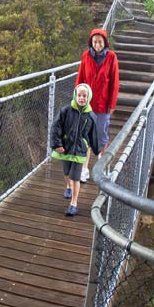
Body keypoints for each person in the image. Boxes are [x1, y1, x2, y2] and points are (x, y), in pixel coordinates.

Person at [50, 83, 101, 216]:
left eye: (84, 96)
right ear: (75, 95)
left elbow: (94, 134)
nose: (81, 98)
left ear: (88, 97)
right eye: (79, 95)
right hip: (65, 148)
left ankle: (74, 203)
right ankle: (68, 186)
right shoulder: (65, 111)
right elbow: (56, 128)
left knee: (75, 177)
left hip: (80, 151)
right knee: (67, 173)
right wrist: (57, 144)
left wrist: (97, 149)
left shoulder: (91, 116)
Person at [75, 27, 119, 181]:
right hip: (87, 104)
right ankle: (84, 170)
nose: (97, 44)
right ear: (91, 42)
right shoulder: (86, 56)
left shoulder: (112, 57)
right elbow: (80, 78)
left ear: (105, 42)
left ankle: (102, 167)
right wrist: (77, 99)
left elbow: (114, 82)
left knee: (101, 136)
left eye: (100, 41)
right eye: (95, 41)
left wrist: (112, 103)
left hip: (103, 104)